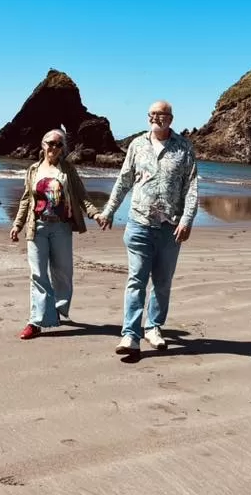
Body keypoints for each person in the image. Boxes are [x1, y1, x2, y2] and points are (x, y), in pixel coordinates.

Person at [99, 100, 198, 356]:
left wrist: (187, 220)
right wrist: (109, 210)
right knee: (136, 280)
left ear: (170, 119)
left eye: (161, 114)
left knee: (162, 282)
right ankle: (130, 335)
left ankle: (153, 327)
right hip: (139, 223)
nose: (156, 118)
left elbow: (191, 187)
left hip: (170, 227)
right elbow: (124, 180)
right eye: (152, 114)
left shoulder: (184, 147)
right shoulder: (137, 145)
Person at [10, 128, 105, 339]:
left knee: (63, 273)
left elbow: (81, 195)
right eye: (50, 143)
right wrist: (17, 225)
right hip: (37, 227)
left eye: (58, 144)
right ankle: (35, 321)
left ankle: (57, 309)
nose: (54, 147)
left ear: (63, 148)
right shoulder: (33, 170)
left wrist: (95, 214)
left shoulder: (68, 170)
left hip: (61, 227)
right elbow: (26, 199)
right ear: (43, 145)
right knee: (38, 274)